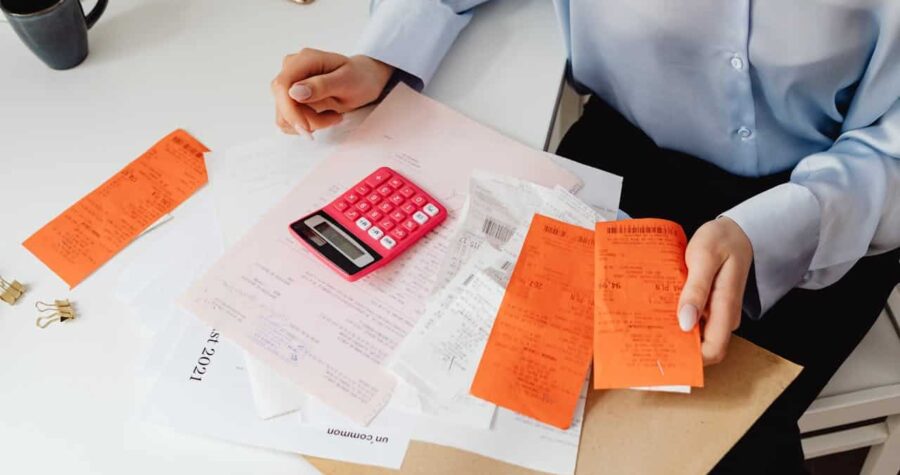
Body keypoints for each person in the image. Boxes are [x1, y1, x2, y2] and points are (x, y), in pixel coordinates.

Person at [271, 1, 900, 472]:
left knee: (708, 452)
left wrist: (770, 232)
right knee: (481, 419)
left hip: (837, 203)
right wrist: (382, 58)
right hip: (622, 158)